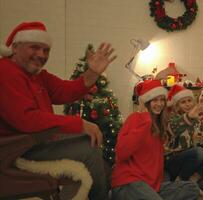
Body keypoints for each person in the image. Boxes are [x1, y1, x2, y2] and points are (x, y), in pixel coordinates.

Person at [0, 21, 116, 200]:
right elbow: (27, 119)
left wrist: (93, 72)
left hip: (37, 141)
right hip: (18, 149)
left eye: (45, 50)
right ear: (15, 47)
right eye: (35, 47)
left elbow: (66, 91)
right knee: (89, 150)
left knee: (89, 140)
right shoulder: (5, 71)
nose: (41, 55)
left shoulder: (38, 76)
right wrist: (79, 123)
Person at [111, 80, 199, 200]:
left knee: (192, 188)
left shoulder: (160, 124)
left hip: (151, 186)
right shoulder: (136, 118)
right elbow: (121, 153)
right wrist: (146, 120)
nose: (159, 104)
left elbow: (174, 128)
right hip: (128, 182)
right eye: (155, 100)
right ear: (146, 102)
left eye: (162, 99)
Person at [165, 84, 203, 183]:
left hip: (192, 161)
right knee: (199, 152)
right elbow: (172, 129)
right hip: (174, 160)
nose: (187, 104)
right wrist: (188, 117)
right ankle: (181, 180)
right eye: (183, 102)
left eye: (189, 101)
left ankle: (194, 179)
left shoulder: (197, 119)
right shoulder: (173, 118)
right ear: (177, 105)